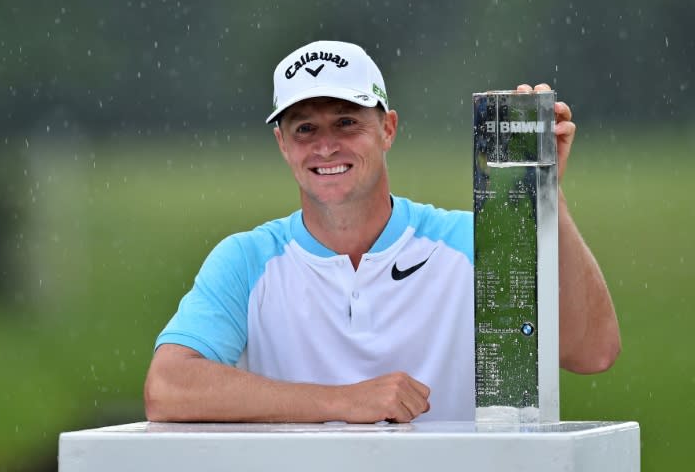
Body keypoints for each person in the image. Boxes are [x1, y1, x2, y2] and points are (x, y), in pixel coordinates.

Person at [144, 40, 620, 423]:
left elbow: (592, 351)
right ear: (281, 144)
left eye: (347, 122)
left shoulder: (470, 244)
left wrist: (544, 190)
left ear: (388, 129)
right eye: (305, 128)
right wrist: (343, 402)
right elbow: (167, 388)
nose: (326, 146)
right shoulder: (246, 260)